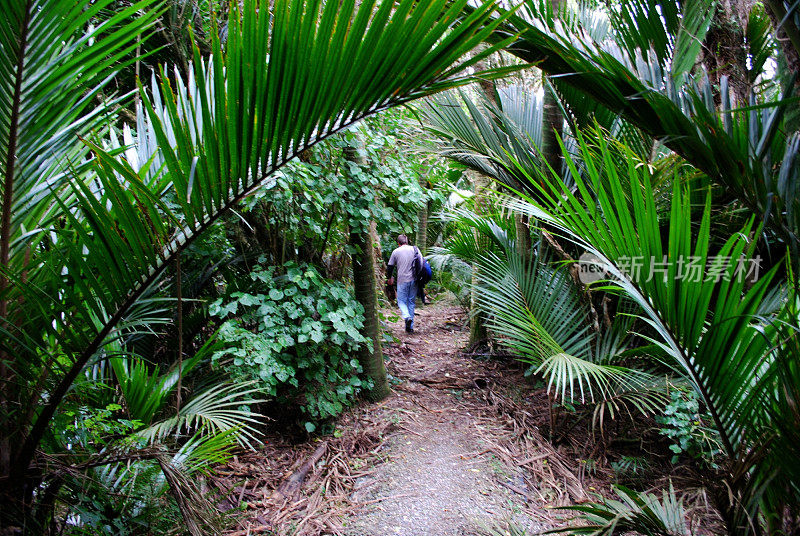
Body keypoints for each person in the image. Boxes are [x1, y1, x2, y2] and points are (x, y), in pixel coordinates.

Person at [386, 234, 418, 333]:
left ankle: (407, 316)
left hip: (402, 280)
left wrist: (389, 278)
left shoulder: (396, 252)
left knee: (401, 301)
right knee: (411, 302)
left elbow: (390, 267)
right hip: (414, 280)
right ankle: (410, 328)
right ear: (407, 242)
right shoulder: (414, 249)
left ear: (398, 243)